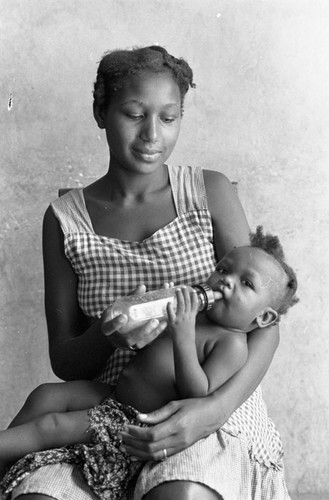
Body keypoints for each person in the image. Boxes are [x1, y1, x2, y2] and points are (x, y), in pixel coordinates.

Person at [7, 45, 291, 500]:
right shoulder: (64, 219)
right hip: (114, 405)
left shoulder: (209, 192)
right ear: (101, 111)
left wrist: (210, 412)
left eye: (169, 117)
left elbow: (267, 323)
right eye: (135, 114)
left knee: (178, 493)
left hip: (215, 402)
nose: (151, 135)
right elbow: (64, 360)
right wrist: (107, 335)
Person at [0, 227, 298, 500]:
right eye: (223, 269)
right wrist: (144, 318)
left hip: (135, 417)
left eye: (246, 283)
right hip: (115, 394)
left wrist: (183, 334)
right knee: (47, 395)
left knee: (52, 426)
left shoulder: (231, 344)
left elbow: (199, 394)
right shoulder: (196, 310)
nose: (226, 280)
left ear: (265, 318)